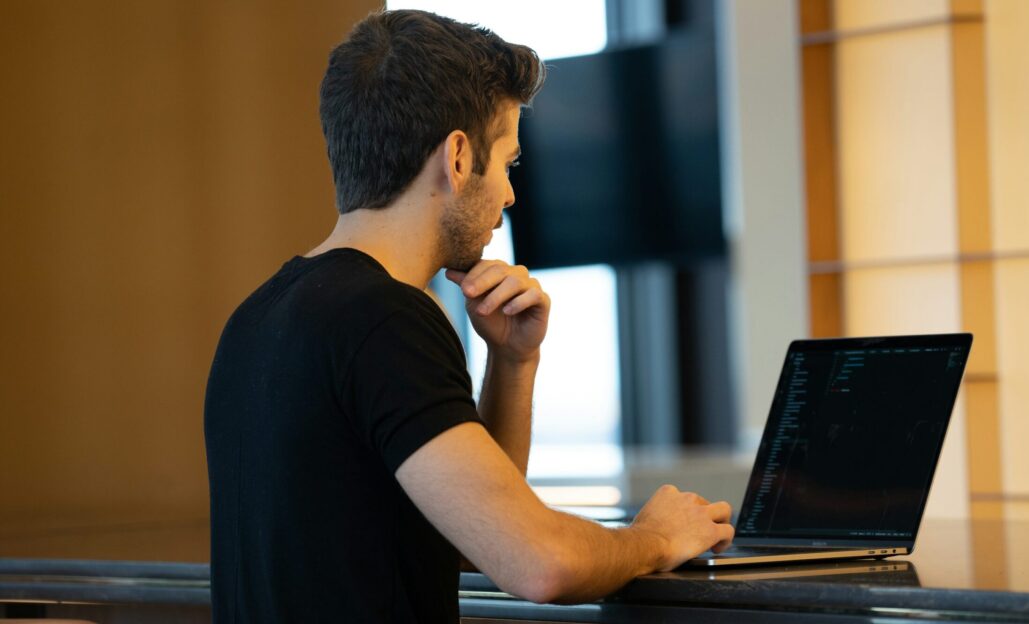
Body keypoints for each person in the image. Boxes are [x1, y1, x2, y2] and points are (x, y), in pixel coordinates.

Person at [204, 9, 734, 623]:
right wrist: (657, 538)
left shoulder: (259, 314)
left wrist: (512, 362)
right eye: (508, 163)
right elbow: (541, 563)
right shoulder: (386, 319)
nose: (510, 194)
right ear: (457, 158)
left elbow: (467, 535)